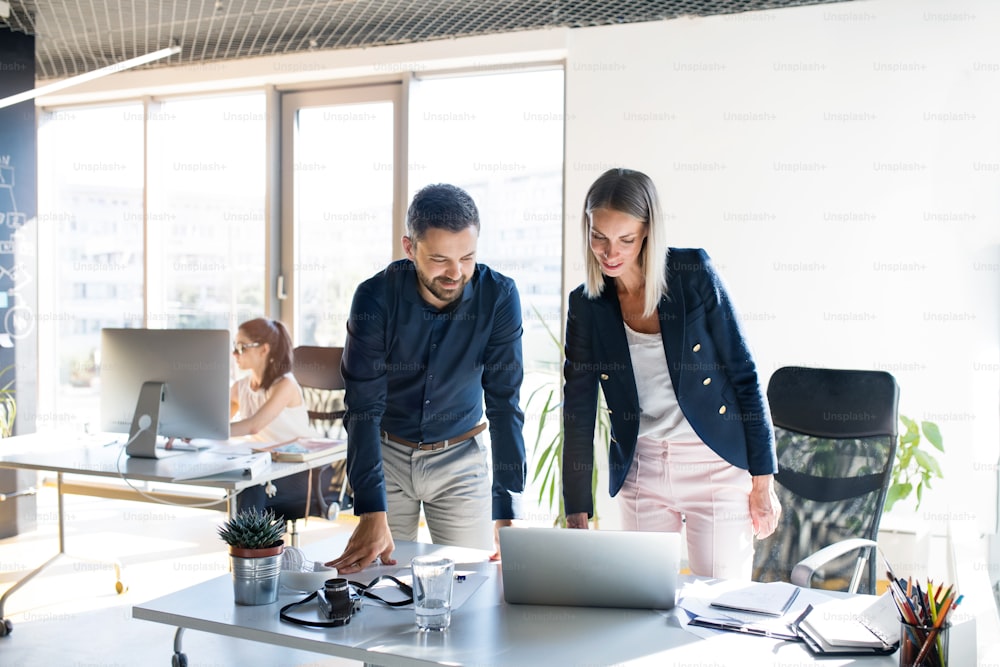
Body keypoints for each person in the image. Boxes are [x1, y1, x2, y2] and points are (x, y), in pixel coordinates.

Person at [561, 168, 780, 580]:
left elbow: (744, 374)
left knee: (721, 607)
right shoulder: (587, 305)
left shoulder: (692, 274)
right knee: (643, 604)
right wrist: (577, 511)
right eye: (599, 237)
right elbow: (578, 410)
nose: (610, 252)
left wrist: (762, 482)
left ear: (648, 232)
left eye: (625, 239)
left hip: (714, 465)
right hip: (642, 469)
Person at [327, 183, 527, 574]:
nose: (455, 273)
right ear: (409, 247)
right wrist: (370, 507)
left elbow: (505, 405)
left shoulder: (500, 297)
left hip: (460, 461)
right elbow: (363, 407)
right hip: (387, 457)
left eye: (467, 257)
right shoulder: (375, 298)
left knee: (471, 585)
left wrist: (507, 510)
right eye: (439, 259)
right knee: (376, 581)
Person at [230, 317, 318, 518]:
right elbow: (215, 421)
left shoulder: (285, 385)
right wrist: (192, 430)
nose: (235, 353)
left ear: (264, 349)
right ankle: (248, 547)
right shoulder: (240, 388)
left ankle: (250, 548)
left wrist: (209, 430)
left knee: (251, 487)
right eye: (235, 346)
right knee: (243, 481)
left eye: (242, 347)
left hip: (301, 470)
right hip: (266, 465)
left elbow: (254, 426)